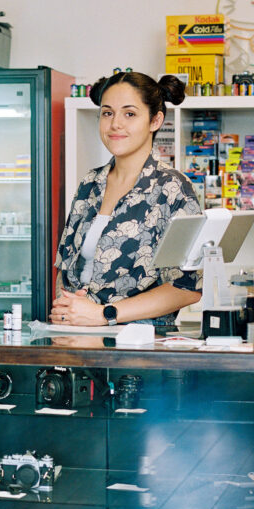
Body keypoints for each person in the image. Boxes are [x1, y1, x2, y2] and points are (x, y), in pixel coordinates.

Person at [50, 70, 202, 329]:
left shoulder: (172, 187)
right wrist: (68, 309)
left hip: (141, 346)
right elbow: (65, 267)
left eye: (129, 114)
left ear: (155, 121)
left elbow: (188, 287)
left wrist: (103, 314)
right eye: (107, 113)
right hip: (77, 336)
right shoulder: (90, 183)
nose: (115, 124)